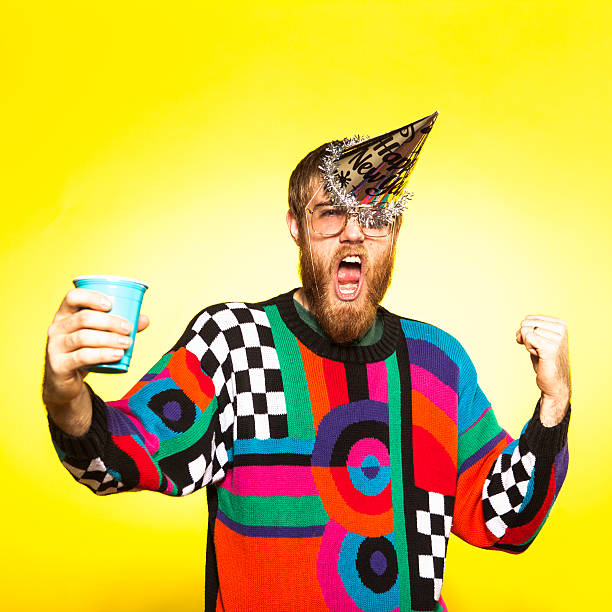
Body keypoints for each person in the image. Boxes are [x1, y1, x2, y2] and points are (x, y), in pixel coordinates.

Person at [42, 112, 571, 612]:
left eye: (375, 215)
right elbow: (117, 459)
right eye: (333, 213)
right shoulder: (235, 344)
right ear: (296, 227)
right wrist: (66, 396)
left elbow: (504, 520)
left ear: (396, 232)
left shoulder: (437, 365)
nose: (355, 232)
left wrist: (554, 403)